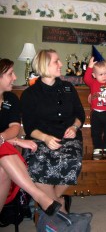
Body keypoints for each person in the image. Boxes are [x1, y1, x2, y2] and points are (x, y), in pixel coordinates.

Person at [20, 49, 85, 213]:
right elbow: (29, 127)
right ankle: (59, 205)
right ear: (44, 65)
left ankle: (48, 204)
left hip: (69, 139)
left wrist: (74, 127)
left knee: (73, 161)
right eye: (57, 61)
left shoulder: (68, 88)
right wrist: (46, 138)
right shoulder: (30, 94)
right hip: (40, 139)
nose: (61, 64)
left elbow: (80, 114)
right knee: (34, 165)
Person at [0, 58, 61, 215]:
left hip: (5, 151)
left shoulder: (11, 99)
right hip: (6, 149)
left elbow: (15, 127)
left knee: (2, 170)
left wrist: (5, 138)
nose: (14, 77)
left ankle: (41, 197)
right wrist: (12, 140)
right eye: (10, 74)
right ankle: (40, 196)